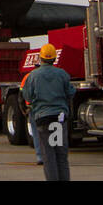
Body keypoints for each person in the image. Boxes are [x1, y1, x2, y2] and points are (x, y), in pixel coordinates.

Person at [21, 43, 74, 181]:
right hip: (59, 118)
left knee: (48, 156)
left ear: (41, 58)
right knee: (61, 155)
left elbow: (27, 96)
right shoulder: (62, 74)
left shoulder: (33, 76)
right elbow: (71, 92)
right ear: (54, 59)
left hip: (43, 118)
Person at [20, 69, 43, 165]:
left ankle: (40, 157)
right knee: (53, 132)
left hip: (33, 107)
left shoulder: (29, 76)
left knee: (37, 133)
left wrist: (23, 107)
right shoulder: (57, 74)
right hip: (50, 107)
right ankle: (54, 156)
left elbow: (23, 94)